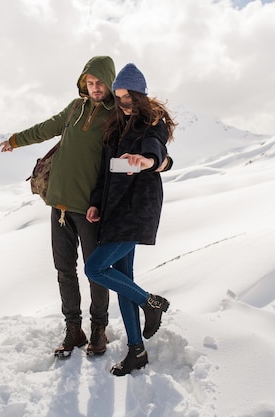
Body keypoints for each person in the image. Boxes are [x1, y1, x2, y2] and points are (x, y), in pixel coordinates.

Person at [0, 56, 116, 358]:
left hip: (89, 208)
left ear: (110, 82)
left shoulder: (114, 116)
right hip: (59, 205)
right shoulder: (74, 109)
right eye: (89, 83)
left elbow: (113, 163)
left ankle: (99, 329)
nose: (94, 88)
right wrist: (15, 140)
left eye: (99, 82)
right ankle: (73, 329)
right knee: (64, 270)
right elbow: (46, 128)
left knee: (96, 272)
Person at [84, 63, 176, 376]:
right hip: (113, 210)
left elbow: (156, 148)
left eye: (128, 97)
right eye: (119, 96)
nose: (123, 103)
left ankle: (151, 302)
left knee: (94, 268)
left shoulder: (152, 120)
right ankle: (136, 350)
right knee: (123, 280)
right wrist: (96, 203)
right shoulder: (114, 126)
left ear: (139, 96)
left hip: (136, 209)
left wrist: (149, 161)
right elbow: (105, 171)